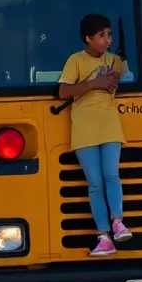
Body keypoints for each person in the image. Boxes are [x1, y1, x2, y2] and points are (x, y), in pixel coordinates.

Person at [58, 14, 132, 257]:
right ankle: (103, 237)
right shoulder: (76, 60)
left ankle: (118, 222)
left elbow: (126, 79)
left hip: (110, 124)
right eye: (101, 35)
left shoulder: (116, 61)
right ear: (88, 38)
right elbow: (63, 91)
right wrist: (95, 83)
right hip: (84, 128)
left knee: (112, 175)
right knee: (95, 183)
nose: (107, 39)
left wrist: (117, 76)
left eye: (109, 34)